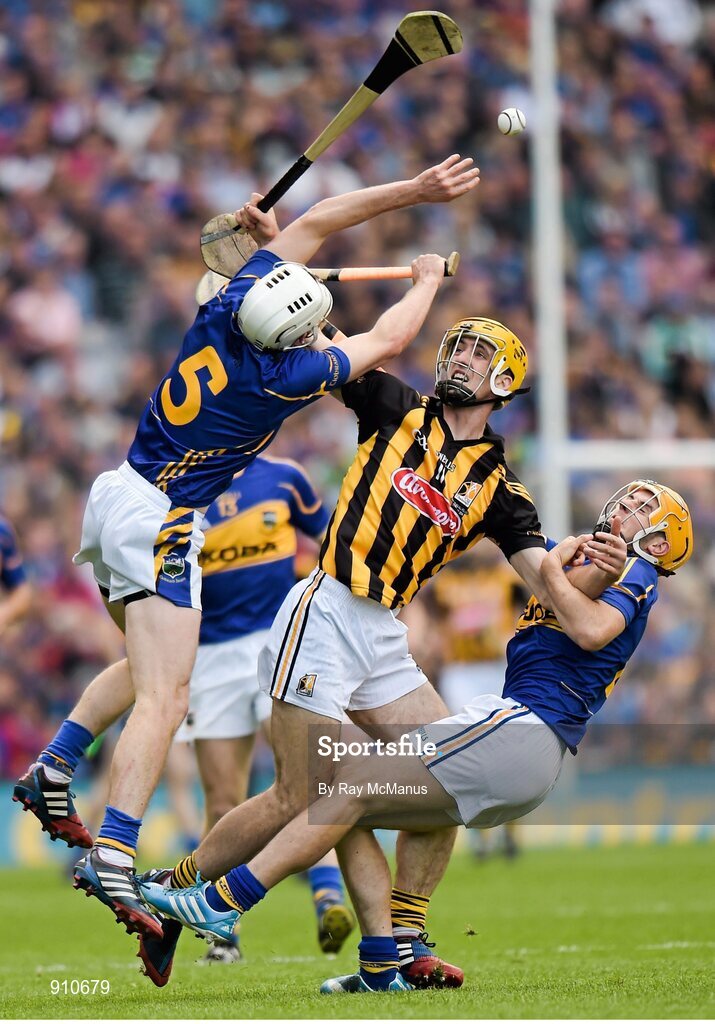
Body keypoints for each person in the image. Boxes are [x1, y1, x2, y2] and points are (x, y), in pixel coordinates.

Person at [12, 154, 480, 941]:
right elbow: (391, 336)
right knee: (170, 696)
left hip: (117, 490)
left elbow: (320, 218)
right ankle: (116, 851)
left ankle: (56, 766)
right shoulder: (291, 375)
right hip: (163, 515)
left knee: (144, 668)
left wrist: (413, 190)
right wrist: (427, 277)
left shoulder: (226, 303)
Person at [146, 317, 628, 989]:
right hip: (325, 610)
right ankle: (176, 891)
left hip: (382, 635)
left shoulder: (499, 488)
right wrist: (274, 267)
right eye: (458, 345)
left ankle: (396, 945)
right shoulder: (392, 403)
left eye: (480, 351)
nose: (461, 357)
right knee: (301, 793)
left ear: (505, 380)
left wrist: (593, 567)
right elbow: (317, 334)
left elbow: (549, 584)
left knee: (446, 779)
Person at [141, 479, 693, 994]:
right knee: (338, 794)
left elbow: (591, 628)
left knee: (339, 792)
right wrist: (547, 550)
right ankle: (391, 954)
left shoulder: (638, 574)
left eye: (645, 511)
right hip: (520, 747)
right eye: (627, 500)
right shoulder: (589, 566)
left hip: (520, 731)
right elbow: (557, 581)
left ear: (663, 541)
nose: (627, 511)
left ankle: (222, 900)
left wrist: (553, 561)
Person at [155, 454, 354, 981]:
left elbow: (335, 544)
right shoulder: (182, 485)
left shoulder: (286, 476)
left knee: (308, 781)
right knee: (223, 797)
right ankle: (224, 931)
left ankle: (327, 895)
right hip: (214, 655)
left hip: (281, 639)